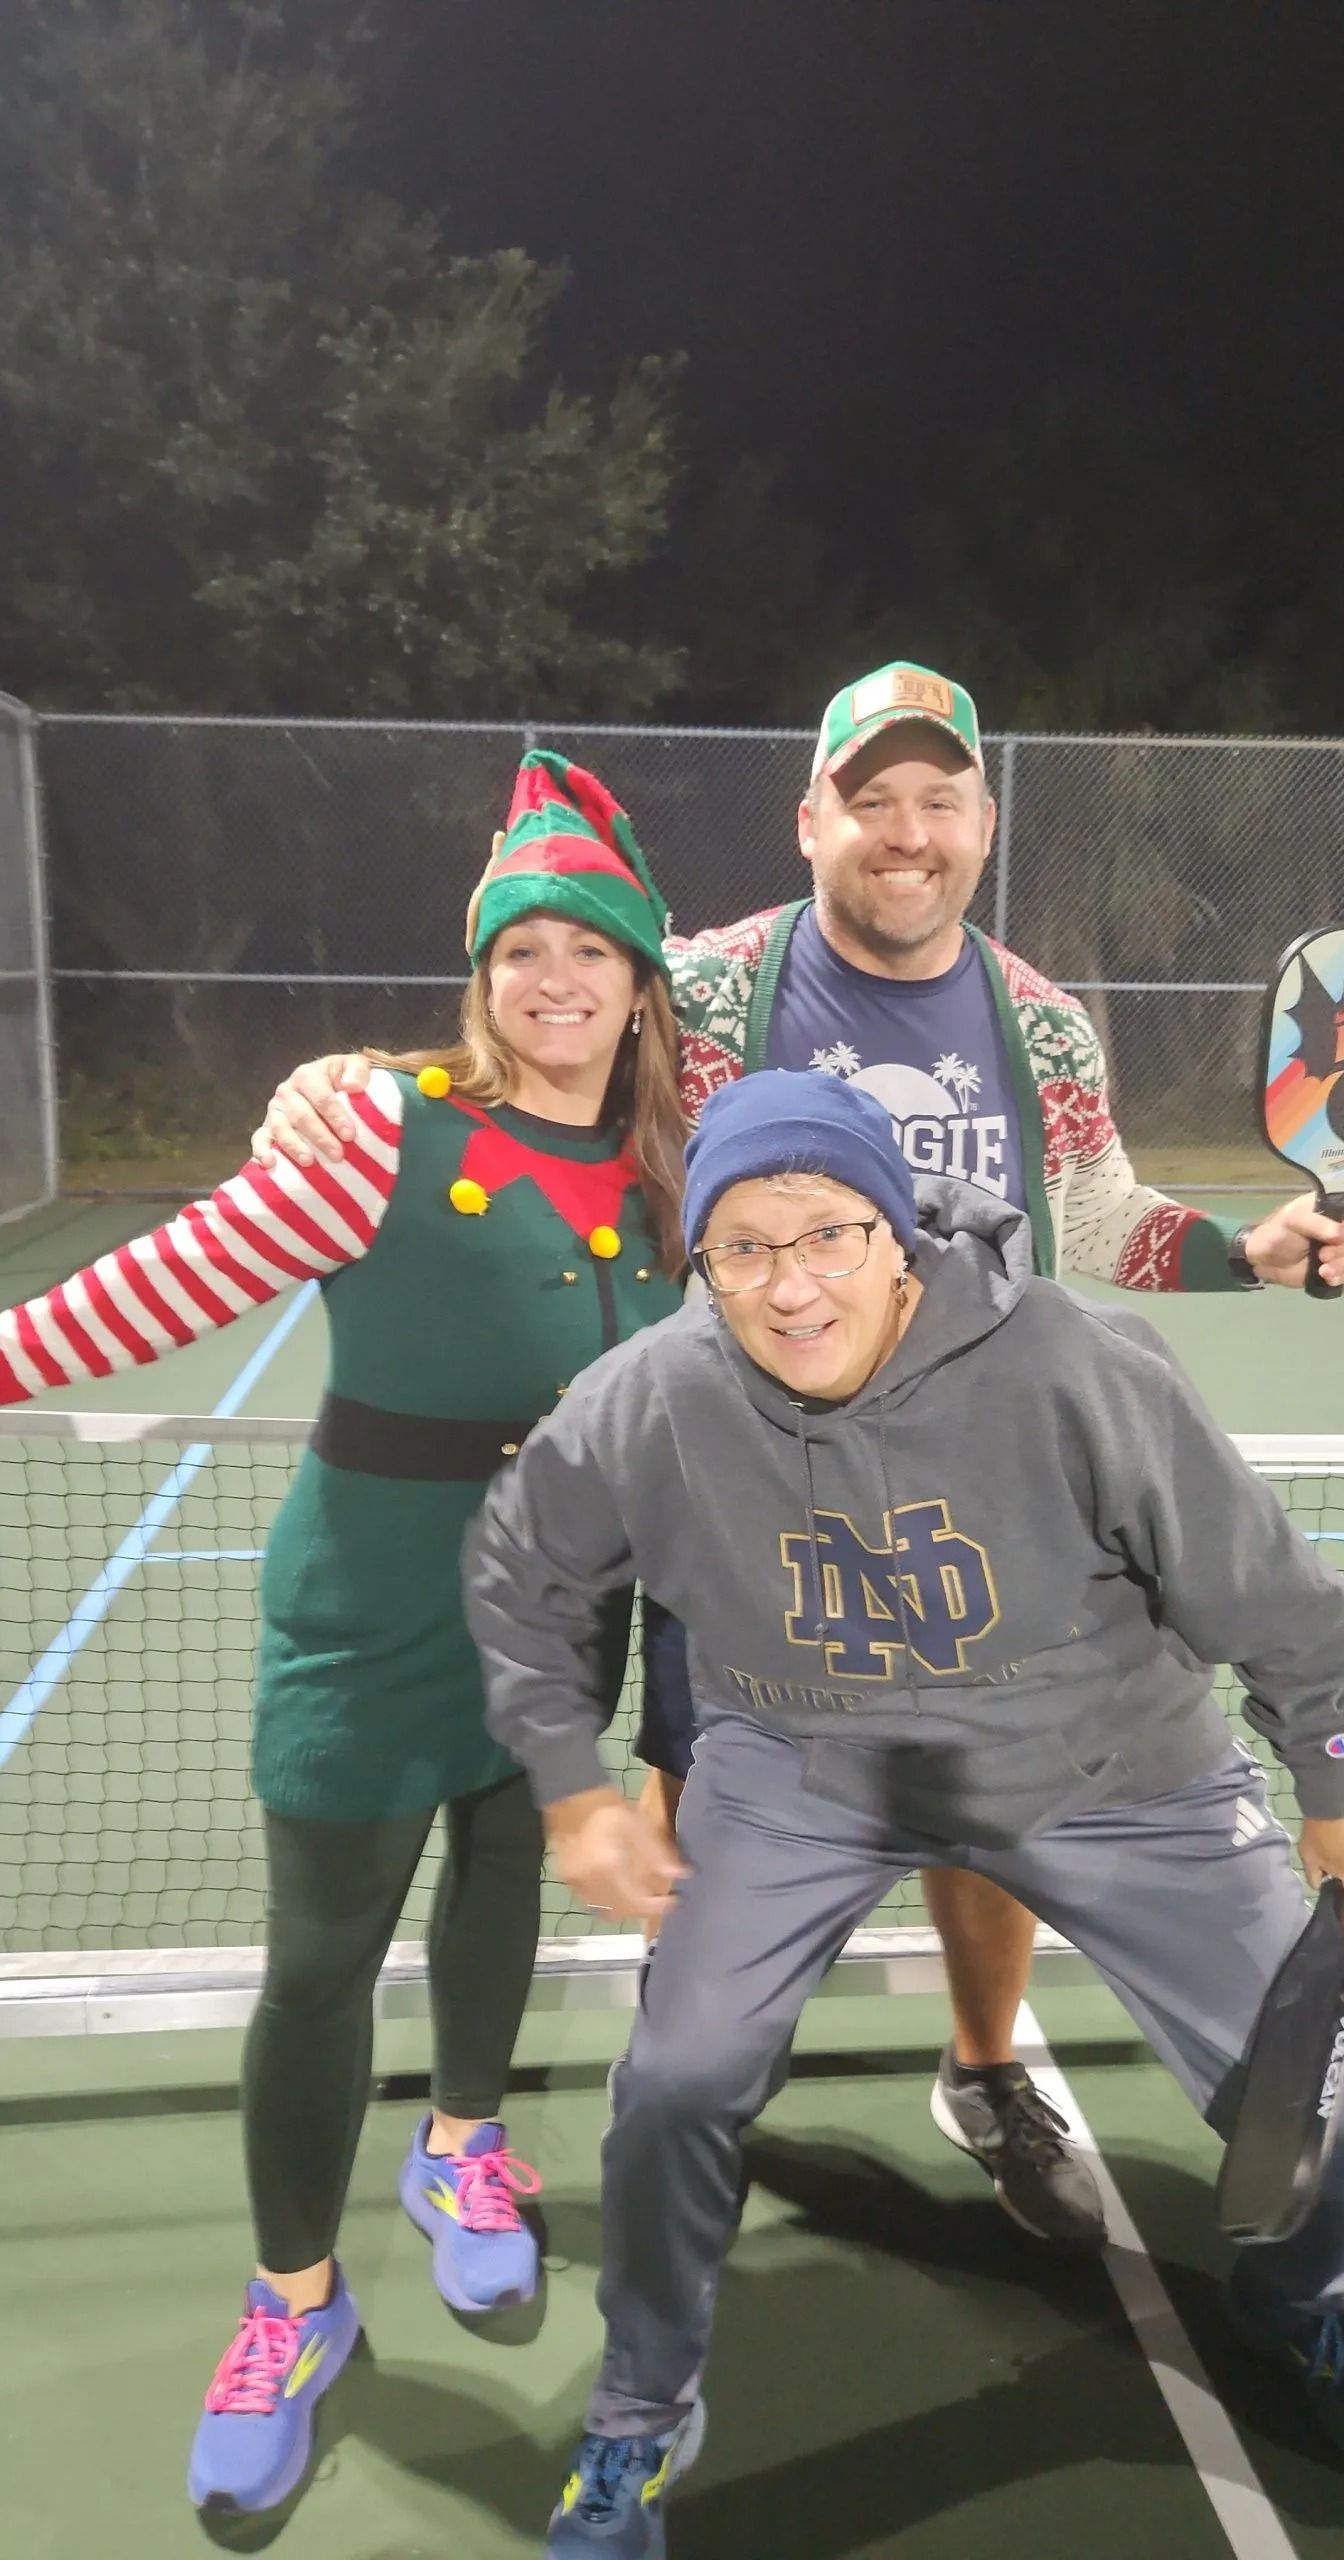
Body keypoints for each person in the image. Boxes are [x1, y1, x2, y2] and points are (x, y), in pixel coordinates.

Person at [249, 661, 1344, 2250]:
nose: (905, 833)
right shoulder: (704, 988)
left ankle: (983, 2072)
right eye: (872, 799)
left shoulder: (1039, 1021)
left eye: (938, 801)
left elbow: (1104, 1218)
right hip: (738, 1498)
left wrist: (1242, 1257)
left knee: (985, 1811)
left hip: (985, 1507)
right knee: (706, 1794)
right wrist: (362, 1088)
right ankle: (700, 2090)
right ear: (812, 820)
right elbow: (548, 1044)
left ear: (983, 822)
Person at [466, 1069, 1344, 2555]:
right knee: (671, 2088)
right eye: (743, 1248)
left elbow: (1263, 1583)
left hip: (1107, 1760)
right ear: (699, 1262)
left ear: (898, 1238)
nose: (790, 1287)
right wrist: (571, 1782)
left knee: (1333, 2097)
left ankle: (1303, 2307)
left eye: (828, 1235)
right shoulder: (651, 1397)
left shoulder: (1072, 1362)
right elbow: (522, 1583)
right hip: (800, 1768)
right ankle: (641, 2418)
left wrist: (1341, 1773)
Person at [0, 752, 689, 2517]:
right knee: (317, 1963)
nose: (555, 981)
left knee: (505, 1868)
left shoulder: (674, 1151)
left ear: (637, 978)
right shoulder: (382, 1129)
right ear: (484, 973)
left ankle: (465, 2148)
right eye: (521, 950)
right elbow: (158, 1287)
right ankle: (292, 2303)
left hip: (563, 1602)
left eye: (588, 952)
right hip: (370, 1605)